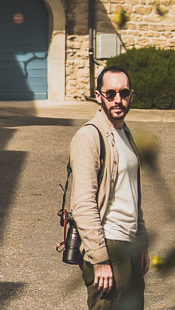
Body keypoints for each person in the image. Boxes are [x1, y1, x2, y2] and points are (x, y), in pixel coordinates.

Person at [68, 66, 150, 310]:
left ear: (131, 95)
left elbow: (133, 194)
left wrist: (142, 243)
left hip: (130, 245)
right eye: (110, 93)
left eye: (124, 93)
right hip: (108, 244)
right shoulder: (89, 137)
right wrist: (99, 258)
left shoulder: (125, 134)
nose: (118, 100)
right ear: (98, 95)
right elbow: (83, 203)